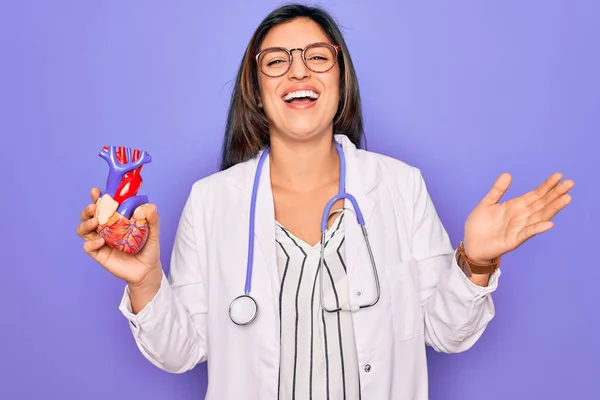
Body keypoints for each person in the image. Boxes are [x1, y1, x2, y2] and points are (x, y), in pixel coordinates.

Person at [76, 4, 574, 399]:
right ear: (255, 88)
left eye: (317, 57)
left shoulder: (400, 186)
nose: (298, 72)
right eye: (277, 61)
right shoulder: (211, 202)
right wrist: (145, 280)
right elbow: (178, 352)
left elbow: (447, 333)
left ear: (340, 78)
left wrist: (476, 262)